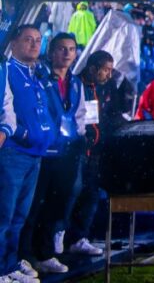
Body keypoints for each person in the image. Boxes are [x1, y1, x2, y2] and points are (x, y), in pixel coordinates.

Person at [20, 34, 85, 275]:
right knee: (32, 205)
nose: (67, 54)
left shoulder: (76, 82)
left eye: (71, 49)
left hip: (67, 152)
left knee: (56, 205)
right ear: (51, 52)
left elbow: (79, 115)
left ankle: (45, 254)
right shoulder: (39, 76)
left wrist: (79, 140)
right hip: (42, 150)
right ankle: (24, 256)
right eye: (61, 49)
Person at [1, 25, 58, 283]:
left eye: (37, 40)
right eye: (28, 40)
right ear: (14, 43)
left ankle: (9, 263)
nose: (34, 45)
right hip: (13, 154)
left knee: (19, 217)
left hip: (35, 155)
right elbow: (7, 110)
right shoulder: (8, 71)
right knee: (4, 214)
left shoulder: (37, 74)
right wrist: (22, 134)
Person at [65, 51, 124, 258]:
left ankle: (79, 238)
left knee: (90, 196)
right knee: (71, 195)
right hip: (75, 152)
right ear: (92, 68)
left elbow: (110, 115)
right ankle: (59, 238)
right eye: (105, 70)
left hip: (96, 153)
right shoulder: (75, 86)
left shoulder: (105, 88)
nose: (108, 75)